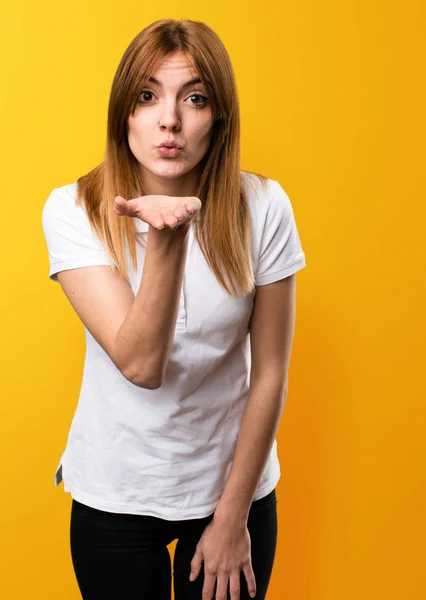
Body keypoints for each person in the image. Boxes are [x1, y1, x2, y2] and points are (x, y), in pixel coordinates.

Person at [41, 17, 306, 600]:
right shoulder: (73, 210)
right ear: (123, 114)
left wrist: (233, 515)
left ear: (220, 116)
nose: (170, 120)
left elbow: (270, 375)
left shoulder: (262, 205)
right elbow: (141, 364)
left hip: (232, 487)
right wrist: (166, 239)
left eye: (194, 98)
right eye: (147, 95)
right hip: (118, 488)